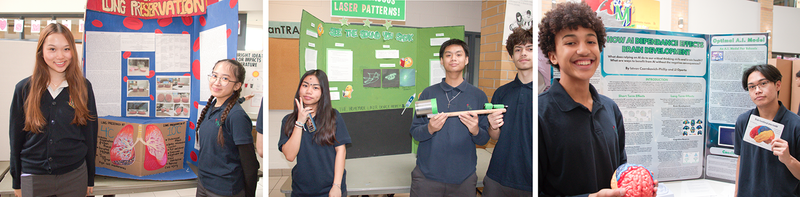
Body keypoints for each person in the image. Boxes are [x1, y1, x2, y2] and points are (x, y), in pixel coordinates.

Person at [538, 2, 656, 196]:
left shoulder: (610, 108)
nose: (584, 50)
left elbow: (620, 172)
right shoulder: (540, 114)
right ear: (553, 56)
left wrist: (638, 185)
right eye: (570, 42)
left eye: (591, 41)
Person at [9, 23, 98, 197]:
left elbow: (90, 135)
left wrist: (90, 178)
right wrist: (16, 181)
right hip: (33, 176)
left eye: (66, 49)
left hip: (74, 176)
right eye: (52, 49)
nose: (60, 56)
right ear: (41, 51)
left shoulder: (83, 87)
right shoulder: (24, 88)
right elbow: (15, 139)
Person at [409, 38, 490, 196]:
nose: (453, 58)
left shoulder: (478, 96)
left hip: (463, 179)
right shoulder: (428, 94)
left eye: (458, 54)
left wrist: (475, 130)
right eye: (448, 55)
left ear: (466, 60)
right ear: (441, 61)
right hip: (427, 177)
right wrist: (430, 128)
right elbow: (415, 132)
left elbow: (484, 139)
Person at [279, 70, 351, 197]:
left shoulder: (333, 117)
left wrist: (336, 186)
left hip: (330, 188)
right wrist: (299, 122)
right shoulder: (288, 120)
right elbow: (290, 156)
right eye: (305, 85)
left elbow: (341, 151)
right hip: (302, 189)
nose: (308, 91)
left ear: (323, 92)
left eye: (315, 87)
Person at [195, 59, 259, 197]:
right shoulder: (212, 106)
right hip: (203, 183)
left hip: (225, 188)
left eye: (225, 78)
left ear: (236, 86)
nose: (217, 82)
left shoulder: (237, 116)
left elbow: (250, 163)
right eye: (214, 76)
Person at [735, 64, 800, 196]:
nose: (757, 90)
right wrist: (736, 193)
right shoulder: (743, 121)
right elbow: (741, 159)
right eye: (752, 87)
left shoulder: (796, 125)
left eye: (763, 83)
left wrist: (788, 159)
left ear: (778, 85)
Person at [483, 27, 533, 196]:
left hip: (533, 182)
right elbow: (494, 136)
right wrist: (493, 126)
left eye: (530, 49)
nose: (523, 53)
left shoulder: (549, 93)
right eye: (518, 50)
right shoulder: (501, 92)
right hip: (497, 177)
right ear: (511, 56)